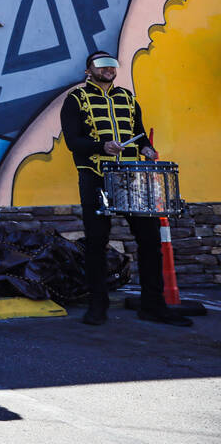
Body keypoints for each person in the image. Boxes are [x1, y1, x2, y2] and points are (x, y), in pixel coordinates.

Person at [60, 51, 191, 327]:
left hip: (131, 177)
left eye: (112, 64)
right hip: (96, 176)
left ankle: (153, 305)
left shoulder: (128, 99)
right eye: (101, 64)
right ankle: (98, 306)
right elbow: (73, 142)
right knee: (96, 241)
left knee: (150, 239)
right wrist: (101, 146)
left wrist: (147, 149)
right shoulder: (75, 101)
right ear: (88, 71)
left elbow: (140, 133)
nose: (108, 69)